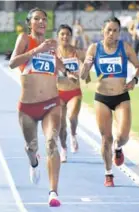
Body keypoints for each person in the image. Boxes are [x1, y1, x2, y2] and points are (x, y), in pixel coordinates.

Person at [8, 8, 77, 207]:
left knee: (51, 143)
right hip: (28, 107)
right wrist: (36, 50)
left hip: (51, 104)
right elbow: (13, 63)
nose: (41, 21)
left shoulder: (51, 44)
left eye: (44, 19)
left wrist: (67, 72)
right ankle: (34, 162)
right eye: (36, 18)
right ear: (29, 23)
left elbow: (56, 62)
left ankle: (53, 192)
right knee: (31, 147)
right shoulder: (24, 39)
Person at [80, 17, 139, 187]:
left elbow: (138, 66)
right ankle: (108, 173)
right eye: (108, 30)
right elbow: (84, 77)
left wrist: (134, 80)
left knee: (122, 136)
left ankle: (118, 147)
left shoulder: (125, 48)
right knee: (105, 138)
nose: (111, 33)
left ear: (119, 33)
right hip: (102, 98)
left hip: (121, 95)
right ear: (103, 31)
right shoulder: (94, 48)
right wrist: (86, 65)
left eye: (115, 30)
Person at [56, 24, 86, 162]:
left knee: (72, 116)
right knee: (61, 126)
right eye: (62, 34)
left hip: (74, 91)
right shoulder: (54, 54)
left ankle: (73, 134)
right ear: (58, 36)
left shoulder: (77, 52)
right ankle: (63, 148)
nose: (65, 37)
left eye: (67, 34)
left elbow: (90, 60)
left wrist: (85, 71)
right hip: (58, 93)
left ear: (70, 36)